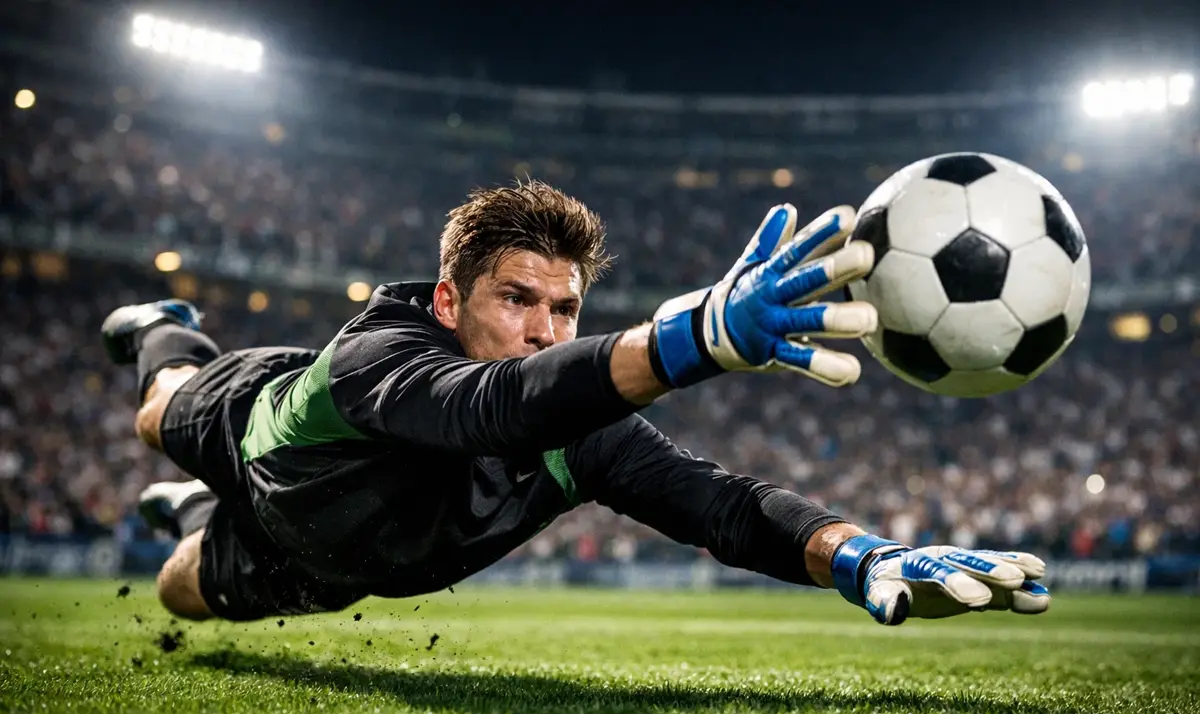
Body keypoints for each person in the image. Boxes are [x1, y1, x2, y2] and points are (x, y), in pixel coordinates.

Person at [107, 180, 1050, 626]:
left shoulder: (581, 435)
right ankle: (163, 324)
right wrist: (693, 341)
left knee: (176, 591)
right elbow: (491, 408)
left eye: (565, 308)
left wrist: (860, 555)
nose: (546, 329)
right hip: (264, 438)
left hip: (333, 556)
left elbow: (715, 501)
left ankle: (191, 515)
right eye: (517, 299)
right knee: (160, 411)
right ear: (449, 303)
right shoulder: (375, 358)